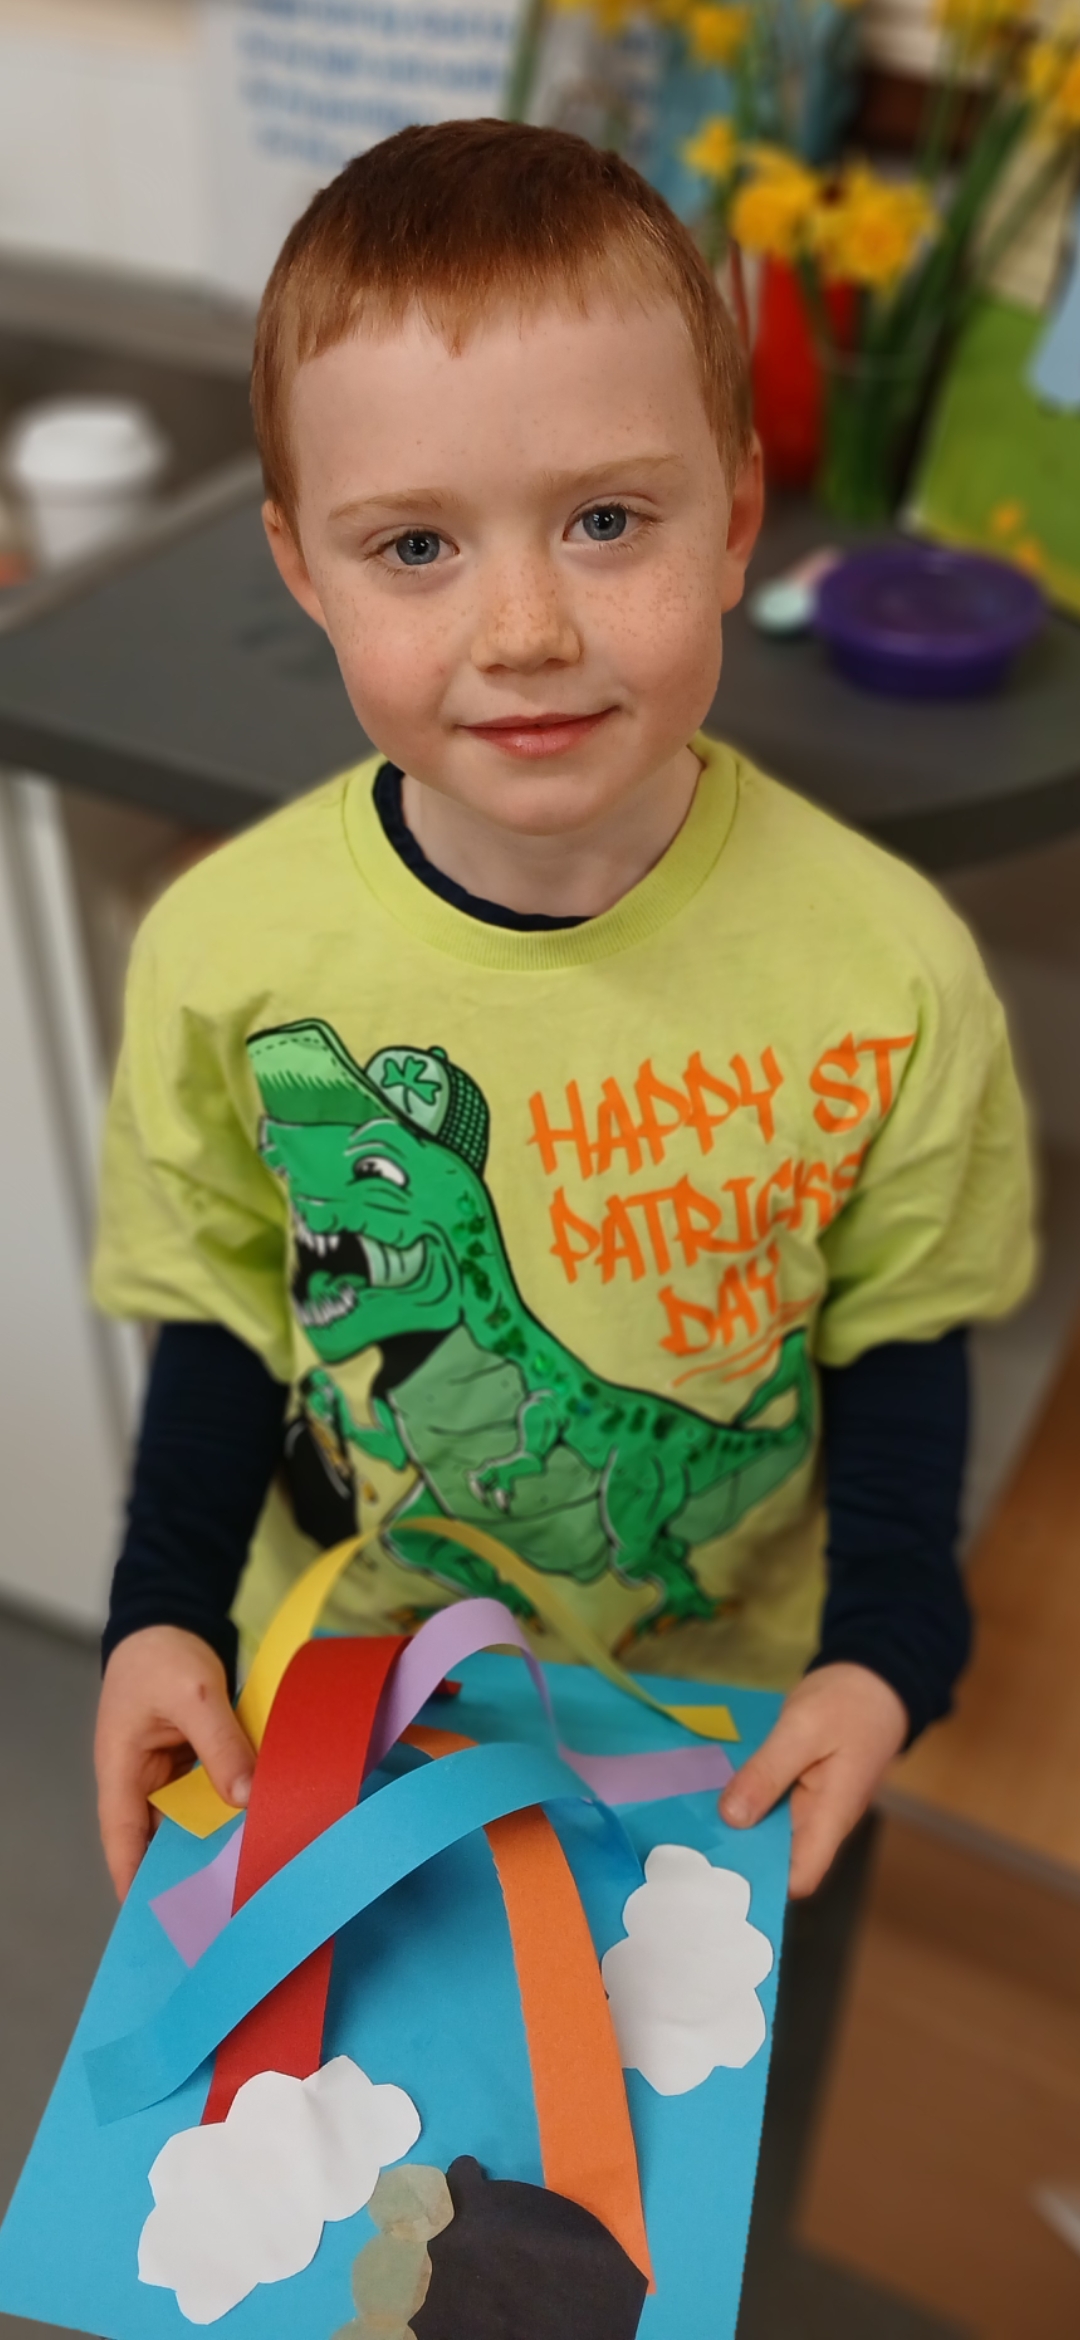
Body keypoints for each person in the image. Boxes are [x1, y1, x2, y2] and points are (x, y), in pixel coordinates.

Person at [91, 119, 1034, 1908]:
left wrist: (887, 1652)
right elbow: (218, 1305)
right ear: (303, 569)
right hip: (349, 1688)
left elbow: (901, 1335)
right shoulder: (220, 955)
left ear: (733, 520)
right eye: (413, 545)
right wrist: (159, 1613)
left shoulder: (894, 969)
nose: (524, 627)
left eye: (607, 520)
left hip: (725, 1719)